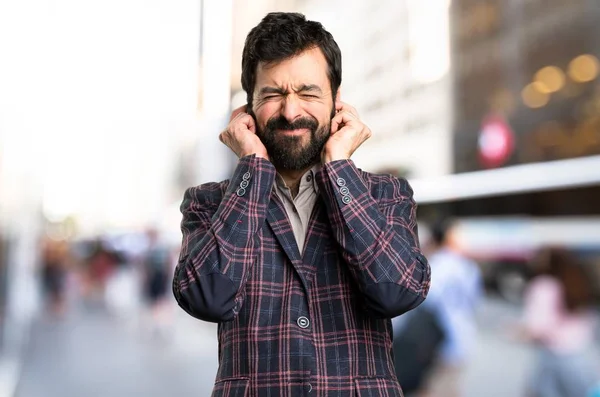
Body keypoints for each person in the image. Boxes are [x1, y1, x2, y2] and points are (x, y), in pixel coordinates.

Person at [172, 12, 430, 396]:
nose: (291, 112)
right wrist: (252, 169)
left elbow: (397, 291)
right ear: (247, 110)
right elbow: (207, 297)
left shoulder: (385, 196)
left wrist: (339, 168)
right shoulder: (209, 203)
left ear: (337, 103)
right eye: (272, 94)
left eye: (308, 93)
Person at [396, 219, 482, 397]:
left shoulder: (434, 266)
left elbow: (422, 303)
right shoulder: (469, 267)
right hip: (461, 338)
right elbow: (474, 303)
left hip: (434, 343)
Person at [518, 247, 599, 397]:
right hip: (582, 358)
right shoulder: (577, 282)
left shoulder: (543, 286)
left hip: (553, 359)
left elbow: (536, 328)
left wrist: (517, 332)